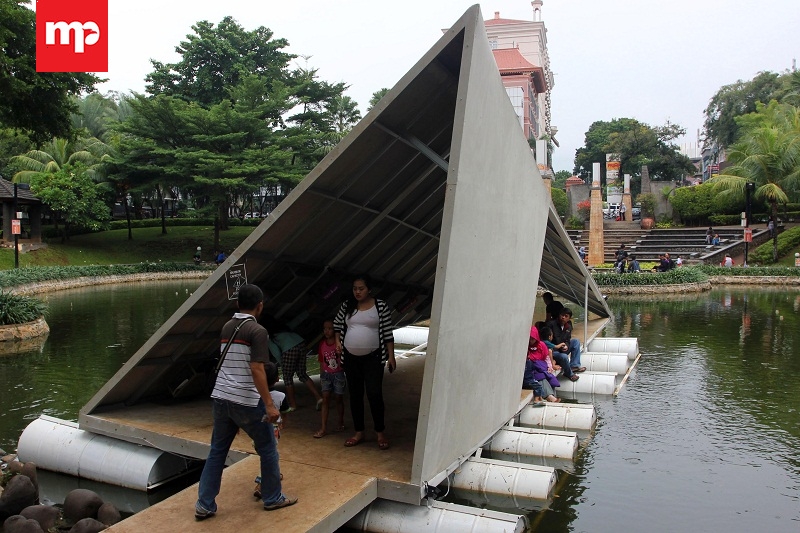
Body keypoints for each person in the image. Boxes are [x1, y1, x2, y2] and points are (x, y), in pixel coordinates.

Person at [195, 284, 297, 520]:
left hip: (221, 398)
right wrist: (269, 404)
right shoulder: (258, 331)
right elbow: (257, 369)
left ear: (237, 304)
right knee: (268, 448)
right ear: (260, 306)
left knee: (217, 452)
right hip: (245, 400)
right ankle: (272, 497)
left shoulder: (227, 326)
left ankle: (204, 504)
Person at [334, 274, 396, 450]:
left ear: (369, 289)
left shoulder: (380, 306)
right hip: (350, 358)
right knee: (355, 396)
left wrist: (391, 356)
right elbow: (338, 325)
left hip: (374, 358)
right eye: (355, 288)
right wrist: (338, 342)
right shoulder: (347, 305)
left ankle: (380, 432)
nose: (357, 292)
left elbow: (387, 333)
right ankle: (358, 431)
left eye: (361, 288)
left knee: (374, 394)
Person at [253, 362, 290, 500]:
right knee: (270, 456)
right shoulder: (281, 396)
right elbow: (285, 412)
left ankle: (275, 473)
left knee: (266, 455)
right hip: (272, 432)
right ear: (277, 379)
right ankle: (261, 485)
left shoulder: (255, 395)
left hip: (255, 432)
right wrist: (282, 424)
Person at [269, 331, 323, 411]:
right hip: (301, 344)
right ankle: (319, 397)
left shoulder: (270, 337)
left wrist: (284, 365)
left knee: (287, 378)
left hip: (289, 349)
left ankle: (293, 405)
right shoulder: (283, 329)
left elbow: (276, 352)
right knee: (302, 374)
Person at [314, 319, 346, 438]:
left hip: (338, 374)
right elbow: (322, 362)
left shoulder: (339, 344)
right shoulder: (322, 344)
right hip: (326, 375)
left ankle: (340, 421)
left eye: (330, 328)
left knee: (338, 398)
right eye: (325, 328)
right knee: (326, 399)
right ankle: (323, 428)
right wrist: (322, 375)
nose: (327, 331)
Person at [523, 326, 560, 403]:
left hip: (541, 368)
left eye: (532, 339)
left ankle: (550, 397)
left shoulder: (541, 345)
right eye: (529, 338)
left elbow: (546, 357)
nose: (530, 341)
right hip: (531, 372)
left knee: (548, 376)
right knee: (541, 377)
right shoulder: (524, 347)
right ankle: (550, 397)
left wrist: (549, 367)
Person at [547, 308, 585, 375]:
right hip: (553, 351)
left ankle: (574, 366)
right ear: (559, 315)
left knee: (576, 341)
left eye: (566, 316)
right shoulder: (551, 325)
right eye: (562, 315)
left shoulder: (568, 327)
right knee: (564, 356)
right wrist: (559, 346)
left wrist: (566, 345)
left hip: (562, 349)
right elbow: (546, 342)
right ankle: (569, 374)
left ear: (569, 318)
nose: (563, 317)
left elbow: (568, 340)